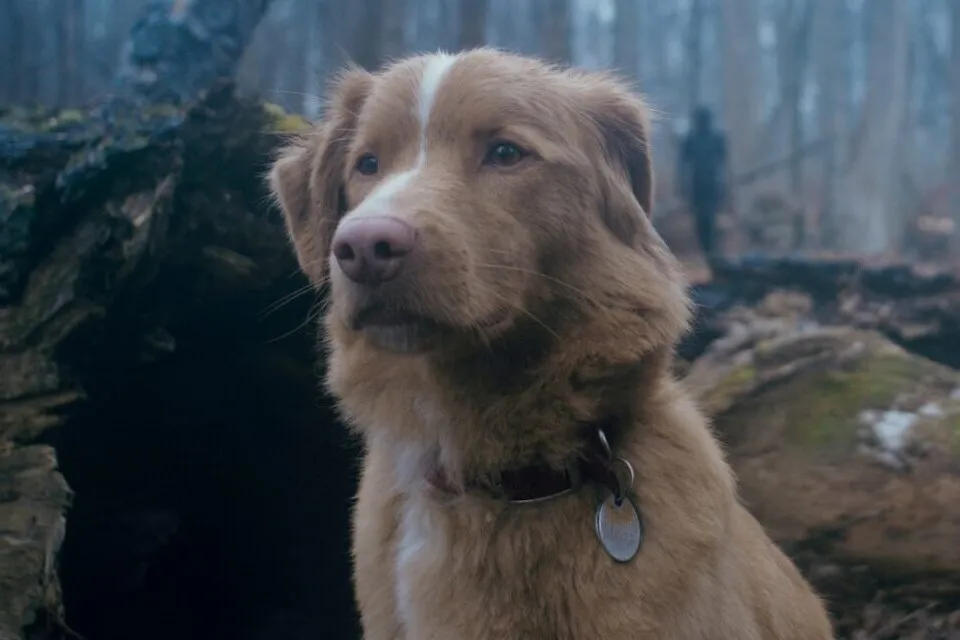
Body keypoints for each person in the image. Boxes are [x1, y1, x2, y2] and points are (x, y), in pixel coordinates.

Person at [678, 106, 729, 261]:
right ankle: (708, 250)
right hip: (701, 183)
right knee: (703, 218)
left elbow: (723, 164)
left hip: (709, 183)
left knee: (708, 218)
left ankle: (710, 250)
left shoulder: (715, 139)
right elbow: (682, 165)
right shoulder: (692, 139)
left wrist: (725, 185)